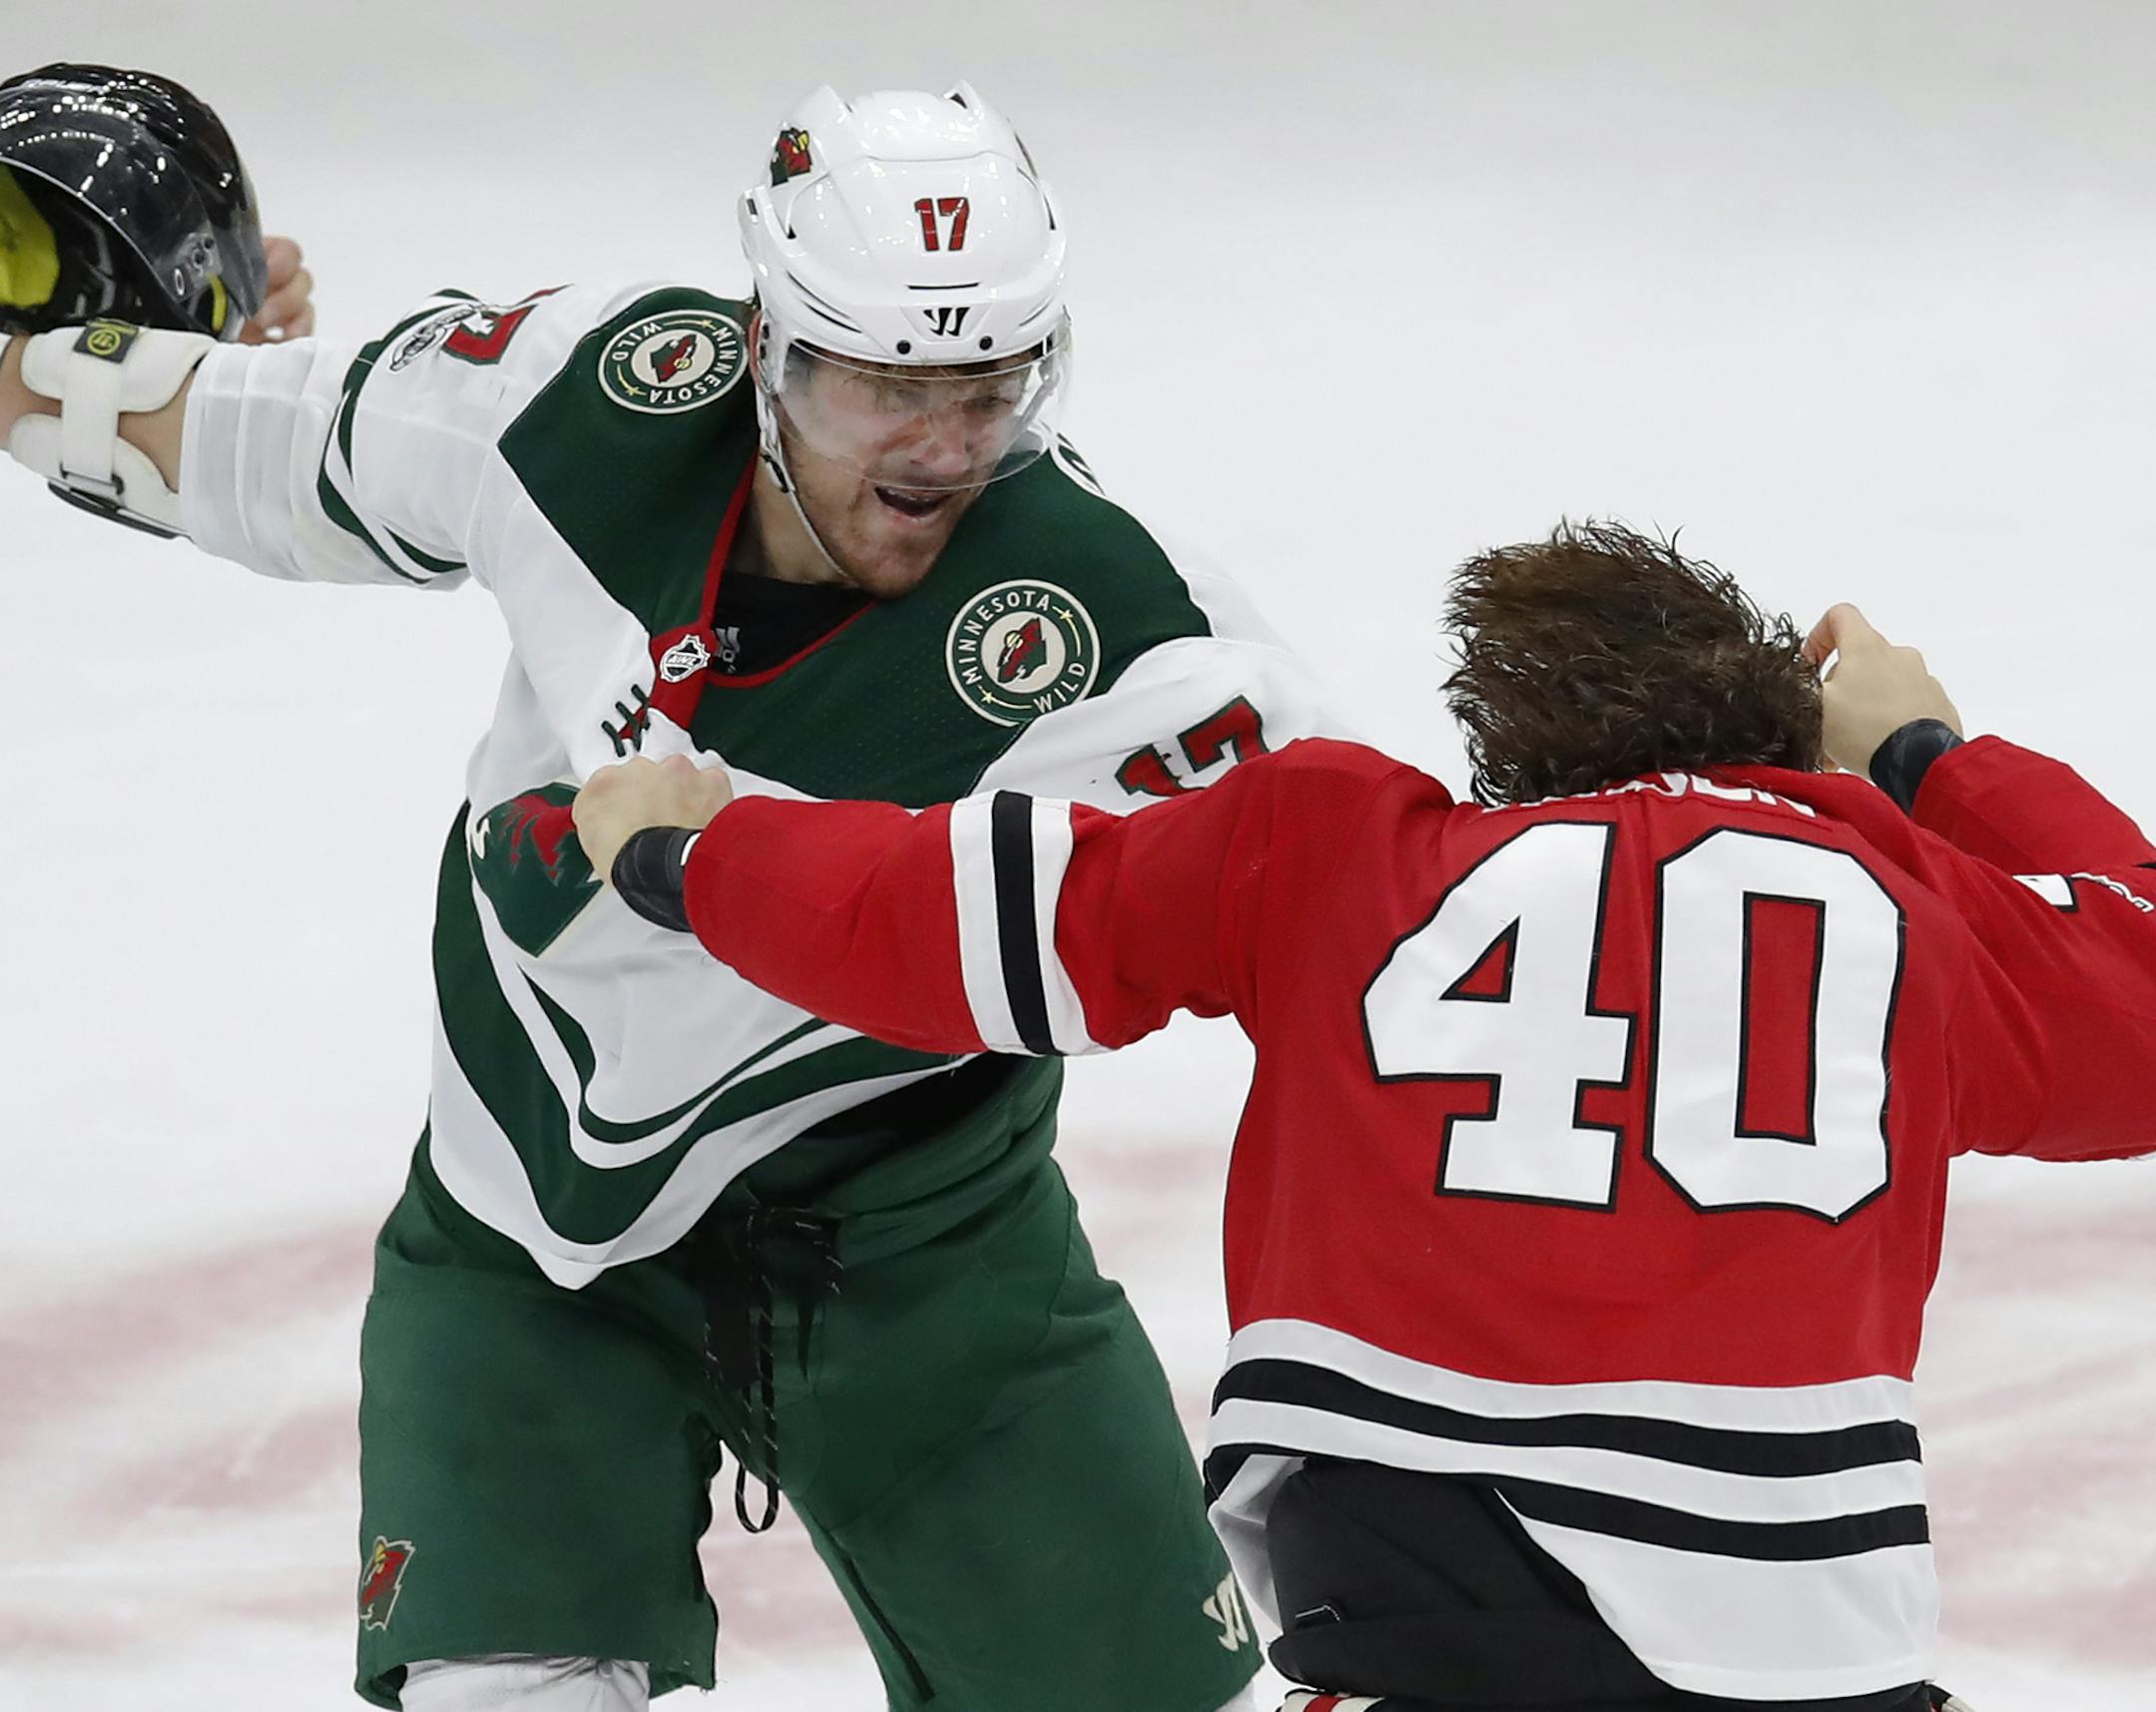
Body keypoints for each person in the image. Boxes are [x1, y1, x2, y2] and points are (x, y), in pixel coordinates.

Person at [1, 75, 1335, 1712]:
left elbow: (1358, 926)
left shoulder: (1136, 650)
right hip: (521, 1255)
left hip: (932, 1278)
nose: (942, 447)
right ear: (768, 345)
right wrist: (96, 365)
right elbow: (245, 435)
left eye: (991, 387)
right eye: (879, 386)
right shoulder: (579, 394)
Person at [573, 522, 2156, 1712]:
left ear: (1517, 743)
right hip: (1805, 1645)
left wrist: (687, 861)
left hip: (1423, 1602)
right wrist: (1931, 761)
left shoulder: (1337, 844)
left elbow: (961, 928)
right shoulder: (1911, 907)